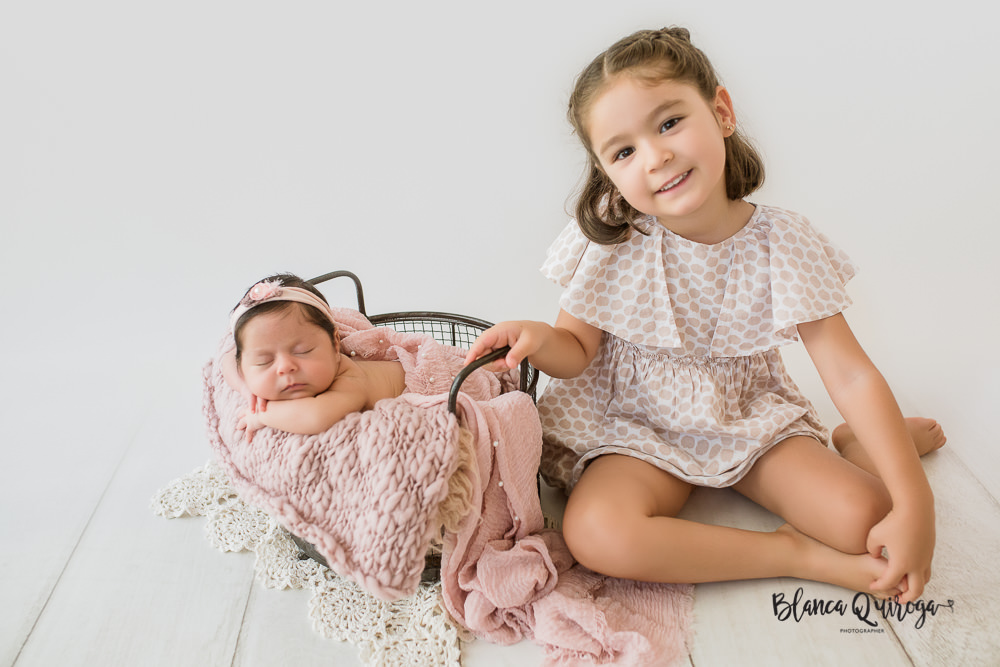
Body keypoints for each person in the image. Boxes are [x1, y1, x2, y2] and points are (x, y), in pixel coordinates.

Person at [464, 27, 945, 603]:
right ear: (606, 171)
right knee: (596, 534)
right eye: (624, 151)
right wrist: (538, 337)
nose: (657, 155)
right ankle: (791, 554)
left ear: (721, 111)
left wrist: (917, 504)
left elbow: (850, 374)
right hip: (634, 426)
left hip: (745, 418)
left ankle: (854, 444)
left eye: (669, 123)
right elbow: (575, 350)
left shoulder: (781, 241)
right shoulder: (614, 234)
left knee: (868, 518)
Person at [222, 273, 406, 440]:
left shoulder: (350, 378)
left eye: (303, 351)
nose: (285, 367)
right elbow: (228, 360)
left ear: (335, 344)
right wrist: (245, 388)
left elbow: (316, 417)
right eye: (264, 361)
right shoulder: (244, 363)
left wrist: (262, 414)